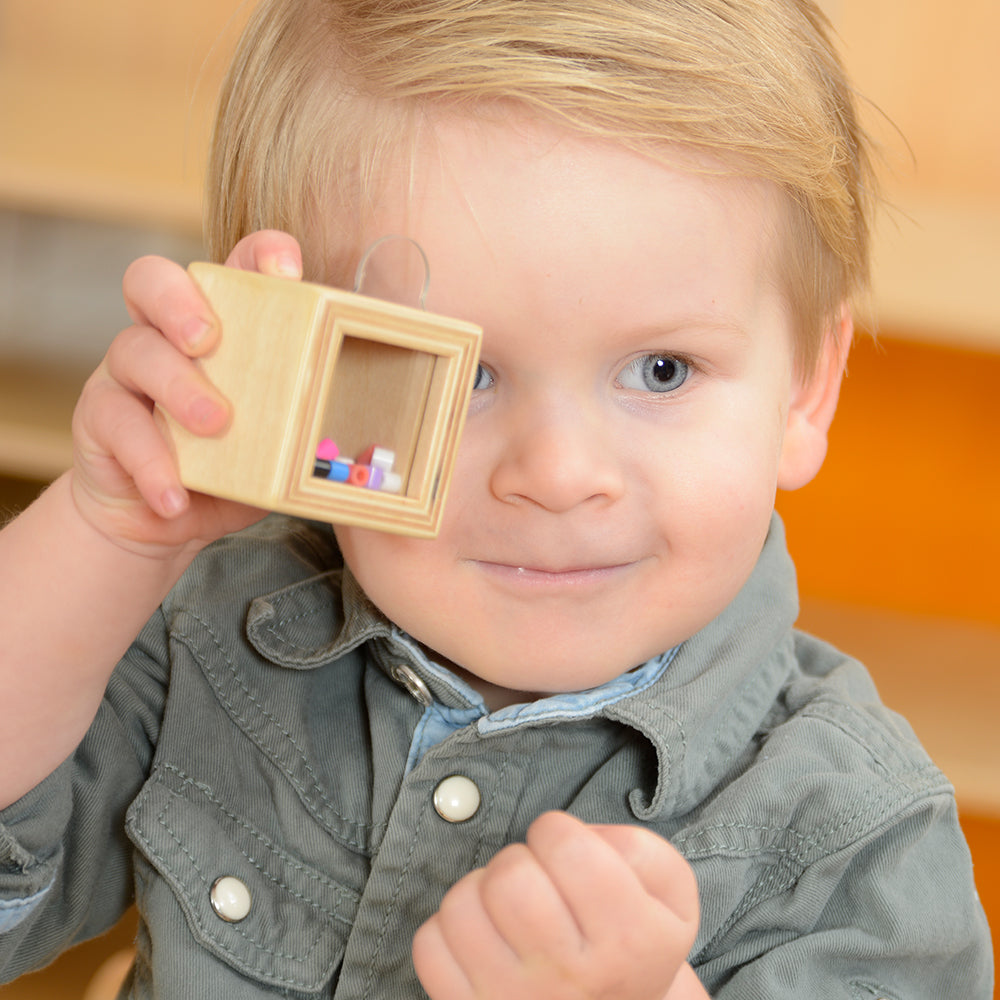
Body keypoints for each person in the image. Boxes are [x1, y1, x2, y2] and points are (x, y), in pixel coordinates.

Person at [0, 0, 992, 996]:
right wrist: (104, 533)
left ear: (805, 390)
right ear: (298, 365)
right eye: (463, 376)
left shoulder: (858, 847)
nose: (556, 474)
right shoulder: (213, 629)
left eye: (659, 369)